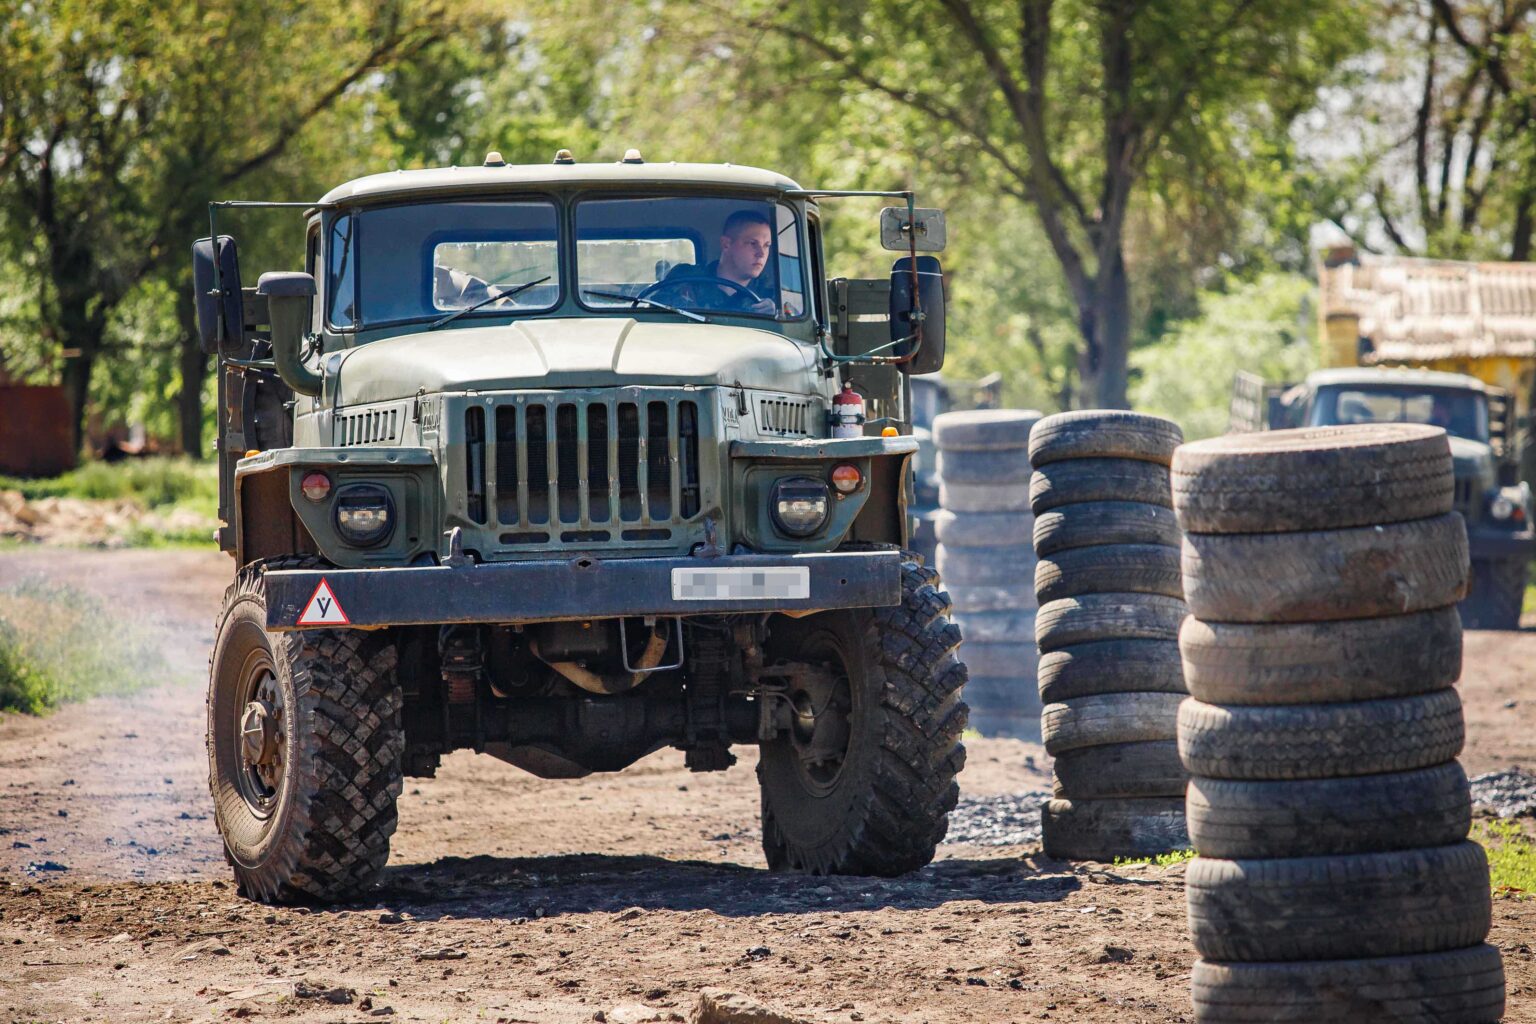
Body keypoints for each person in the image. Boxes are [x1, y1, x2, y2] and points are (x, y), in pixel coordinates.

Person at [663, 209, 778, 315]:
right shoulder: (686, 279)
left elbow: (791, 324)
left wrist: (775, 316)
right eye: (753, 243)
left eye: (766, 245)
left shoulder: (772, 293)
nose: (761, 253)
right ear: (726, 244)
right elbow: (655, 315)